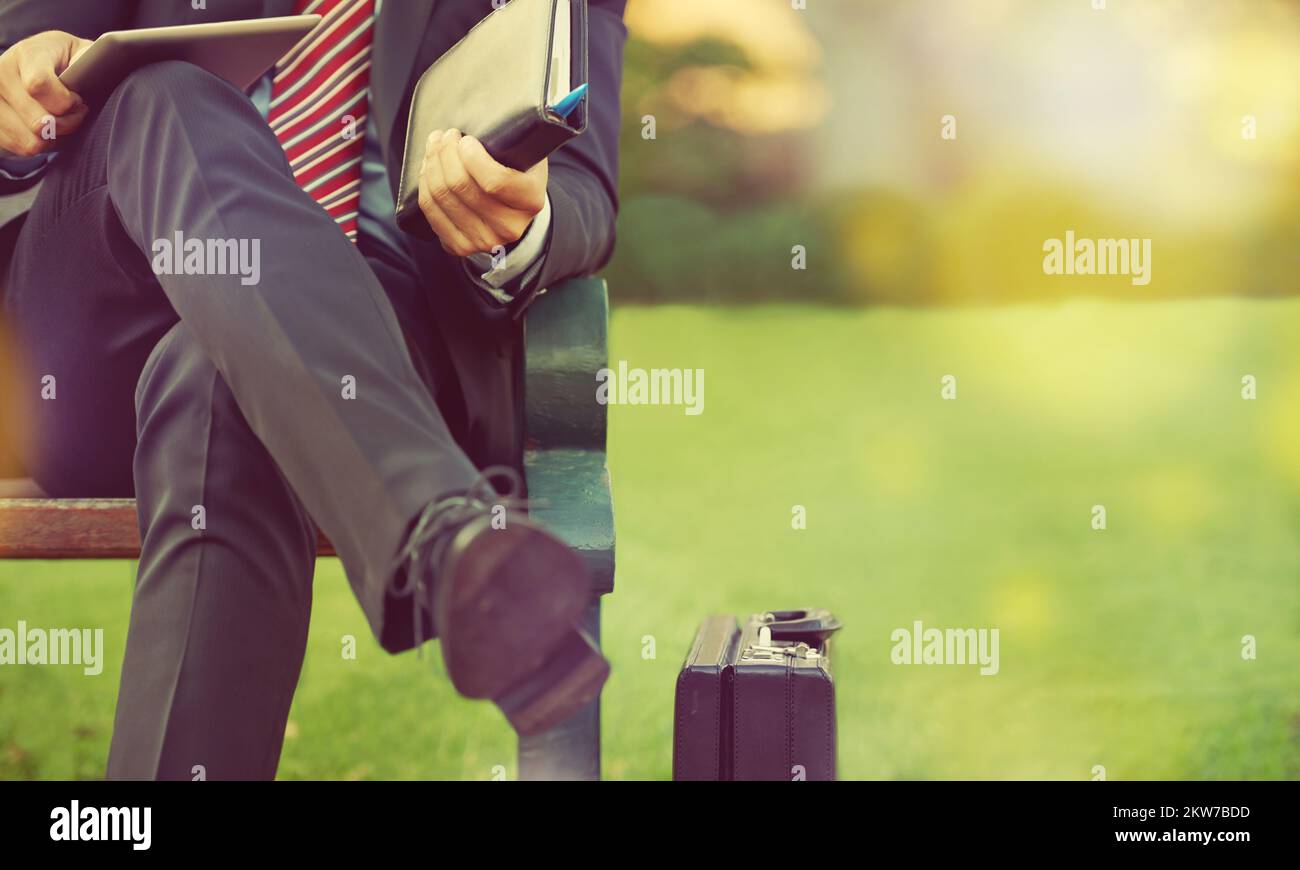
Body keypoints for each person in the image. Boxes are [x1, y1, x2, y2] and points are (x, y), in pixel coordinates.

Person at [0, 0, 625, 779]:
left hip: (364, 331)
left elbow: (585, 189)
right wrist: (16, 98)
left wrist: (518, 218)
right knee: (166, 91)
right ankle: (438, 539)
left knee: (218, 379)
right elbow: (15, 63)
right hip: (100, 316)